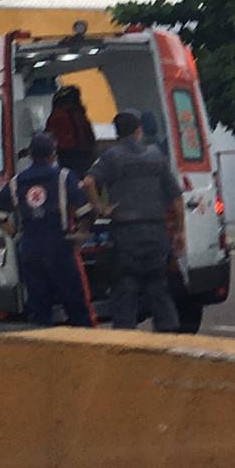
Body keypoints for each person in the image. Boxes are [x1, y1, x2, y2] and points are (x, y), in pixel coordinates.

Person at [84, 110, 183, 332]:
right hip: (156, 233)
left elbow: (88, 182)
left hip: (126, 234)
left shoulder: (111, 157)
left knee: (125, 290)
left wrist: (100, 208)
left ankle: (125, 346)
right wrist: (179, 231)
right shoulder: (156, 156)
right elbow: (177, 198)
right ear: (139, 130)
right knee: (160, 290)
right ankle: (168, 343)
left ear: (117, 133)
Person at [0, 132, 96, 327]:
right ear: (53, 154)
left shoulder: (16, 182)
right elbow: (85, 211)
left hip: (30, 248)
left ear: (30, 155)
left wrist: (15, 234)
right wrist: (81, 235)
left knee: (38, 307)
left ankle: (40, 351)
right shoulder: (63, 176)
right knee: (77, 305)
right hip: (60, 246)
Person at [46, 85, 97, 176]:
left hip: (67, 155)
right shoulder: (79, 114)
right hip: (85, 155)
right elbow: (90, 136)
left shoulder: (58, 115)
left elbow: (48, 137)